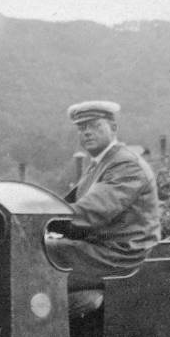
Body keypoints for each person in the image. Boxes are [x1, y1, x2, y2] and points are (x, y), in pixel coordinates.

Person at [45, 100, 160, 318]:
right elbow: (66, 206)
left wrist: (41, 222)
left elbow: (89, 214)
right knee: (41, 250)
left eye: (95, 126)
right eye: (82, 128)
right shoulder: (101, 162)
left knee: (37, 255)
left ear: (113, 128)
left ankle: (43, 334)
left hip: (120, 254)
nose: (87, 132)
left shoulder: (126, 164)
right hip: (102, 250)